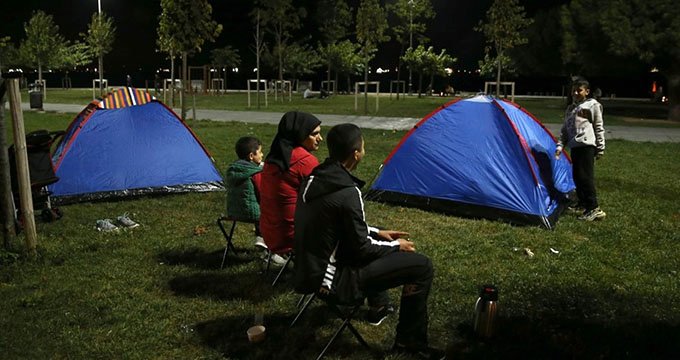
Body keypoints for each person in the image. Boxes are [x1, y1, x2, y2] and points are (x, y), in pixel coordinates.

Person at [294, 123, 443, 359]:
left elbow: (335, 225)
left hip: (306, 269)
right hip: (333, 281)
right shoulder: (348, 192)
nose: (364, 150)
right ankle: (409, 343)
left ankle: (380, 306)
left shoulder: (314, 179)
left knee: (379, 236)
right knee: (421, 266)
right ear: (356, 154)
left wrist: (376, 232)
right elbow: (361, 249)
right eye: (362, 146)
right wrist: (395, 246)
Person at [259, 111, 323, 260]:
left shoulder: (272, 159)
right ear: (300, 134)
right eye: (314, 134)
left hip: (269, 233)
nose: (320, 138)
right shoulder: (305, 162)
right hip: (292, 236)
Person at [555, 78, 606, 221]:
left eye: (579, 90)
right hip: (575, 146)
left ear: (587, 91)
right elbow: (565, 130)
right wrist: (560, 145)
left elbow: (598, 126)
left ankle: (594, 208)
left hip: (587, 146)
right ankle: (582, 203)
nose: (576, 93)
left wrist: (600, 147)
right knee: (577, 176)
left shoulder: (593, 105)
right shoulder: (571, 109)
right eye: (573, 90)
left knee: (585, 177)